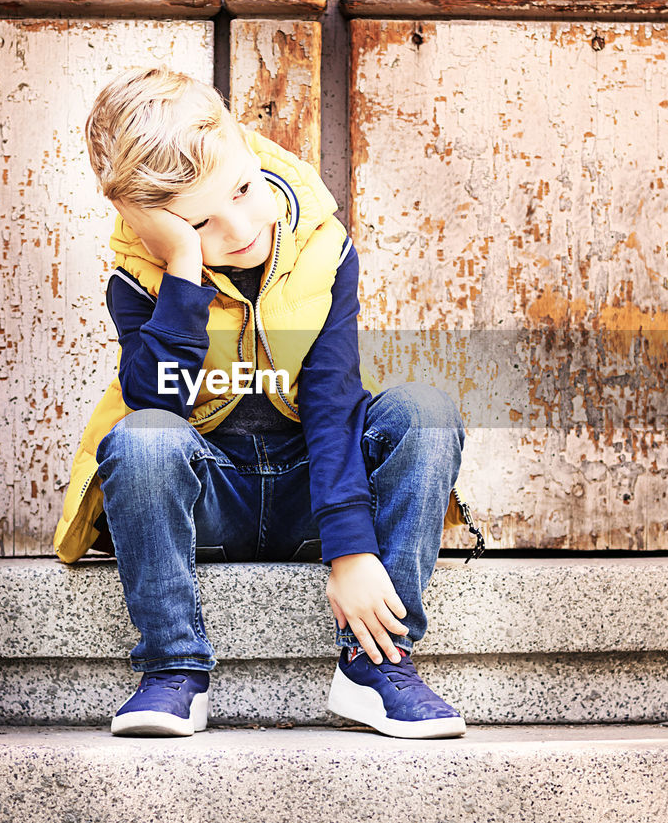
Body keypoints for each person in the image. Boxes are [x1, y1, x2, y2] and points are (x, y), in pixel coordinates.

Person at [53, 66, 483, 739]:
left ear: (250, 147)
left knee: (424, 410)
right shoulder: (140, 273)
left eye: (243, 189)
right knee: (140, 438)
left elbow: (334, 397)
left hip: (308, 486)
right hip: (208, 497)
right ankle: (173, 667)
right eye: (199, 221)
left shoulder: (322, 249)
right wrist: (183, 268)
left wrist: (351, 550)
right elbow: (157, 398)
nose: (242, 225)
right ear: (156, 225)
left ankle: (377, 664)